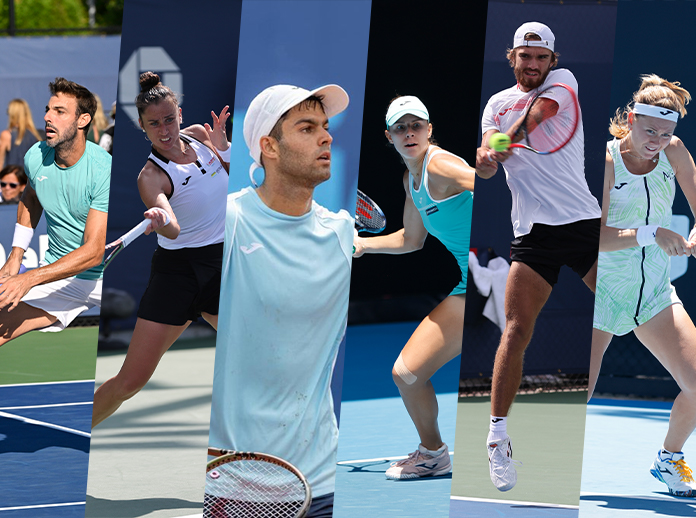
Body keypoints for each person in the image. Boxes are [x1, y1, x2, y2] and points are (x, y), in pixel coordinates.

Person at [207, 83, 352, 517]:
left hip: (323, 481)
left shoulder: (341, 234)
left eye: (325, 127)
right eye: (307, 128)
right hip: (234, 485)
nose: (326, 137)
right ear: (268, 147)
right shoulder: (228, 222)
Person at [475, 22, 601, 491]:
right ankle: (496, 438)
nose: (533, 65)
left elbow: (537, 116)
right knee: (516, 329)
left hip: (584, 226)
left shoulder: (562, 82)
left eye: (540, 57)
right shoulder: (494, 104)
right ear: (512, 57)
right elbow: (488, 161)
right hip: (532, 235)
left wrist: (499, 146)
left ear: (552, 60)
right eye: (525, 57)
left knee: (628, 310)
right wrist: (487, 158)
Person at [91, 72, 229, 427]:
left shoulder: (201, 137)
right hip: (177, 275)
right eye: (154, 124)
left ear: (180, 114)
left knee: (255, 350)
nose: (164, 130)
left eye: (169, 119)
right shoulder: (150, 177)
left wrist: (224, 147)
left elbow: (235, 180)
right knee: (130, 382)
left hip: (222, 266)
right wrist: (161, 217)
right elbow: (174, 227)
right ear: (142, 126)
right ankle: (82, 426)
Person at [353, 95, 474, 479]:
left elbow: (500, 189)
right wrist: (363, 244)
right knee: (408, 374)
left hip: (503, 279)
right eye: (400, 127)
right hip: (468, 287)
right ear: (388, 136)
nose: (409, 133)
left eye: (416, 125)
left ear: (429, 130)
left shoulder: (441, 164)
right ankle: (434, 453)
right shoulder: (412, 179)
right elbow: (411, 239)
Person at [589, 75, 696, 497]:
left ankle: (669, 459)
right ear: (631, 119)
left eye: (666, 132)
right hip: (601, 294)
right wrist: (650, 233)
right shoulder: (607, 164)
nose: (657, 140)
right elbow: (590, 239)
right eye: (649, 129)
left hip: (653, 294)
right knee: (578, 394)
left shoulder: (673, 152)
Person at [0, 78, 110, 343]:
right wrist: (16, 254)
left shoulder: (104, 170)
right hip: (60, 277)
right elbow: (31, 197)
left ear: (82, 120)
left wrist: (29, 279)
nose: (48, 117)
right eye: (48, 110)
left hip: (104, 276)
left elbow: (94, 252)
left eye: (59, 112)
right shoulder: (36, 156)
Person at [0, 98, 43, 170]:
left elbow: (1, 163)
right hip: (28, 179)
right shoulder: (37, 136)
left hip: (11, 178)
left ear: (12, 114)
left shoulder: (6, 135)